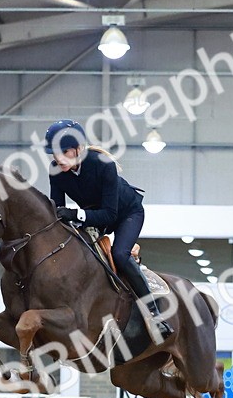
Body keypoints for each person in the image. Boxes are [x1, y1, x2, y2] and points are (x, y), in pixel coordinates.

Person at [43, 119, 172, 338]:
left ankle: (153, 313)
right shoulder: (56, 170)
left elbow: (110, 214)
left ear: (79, 149)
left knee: (119, 255)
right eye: (54, 153)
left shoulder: (103, 164)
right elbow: (58, 208)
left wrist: (76, 214)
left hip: (125, 214)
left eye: (64, 151)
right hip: (95, 217)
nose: (58, 158)